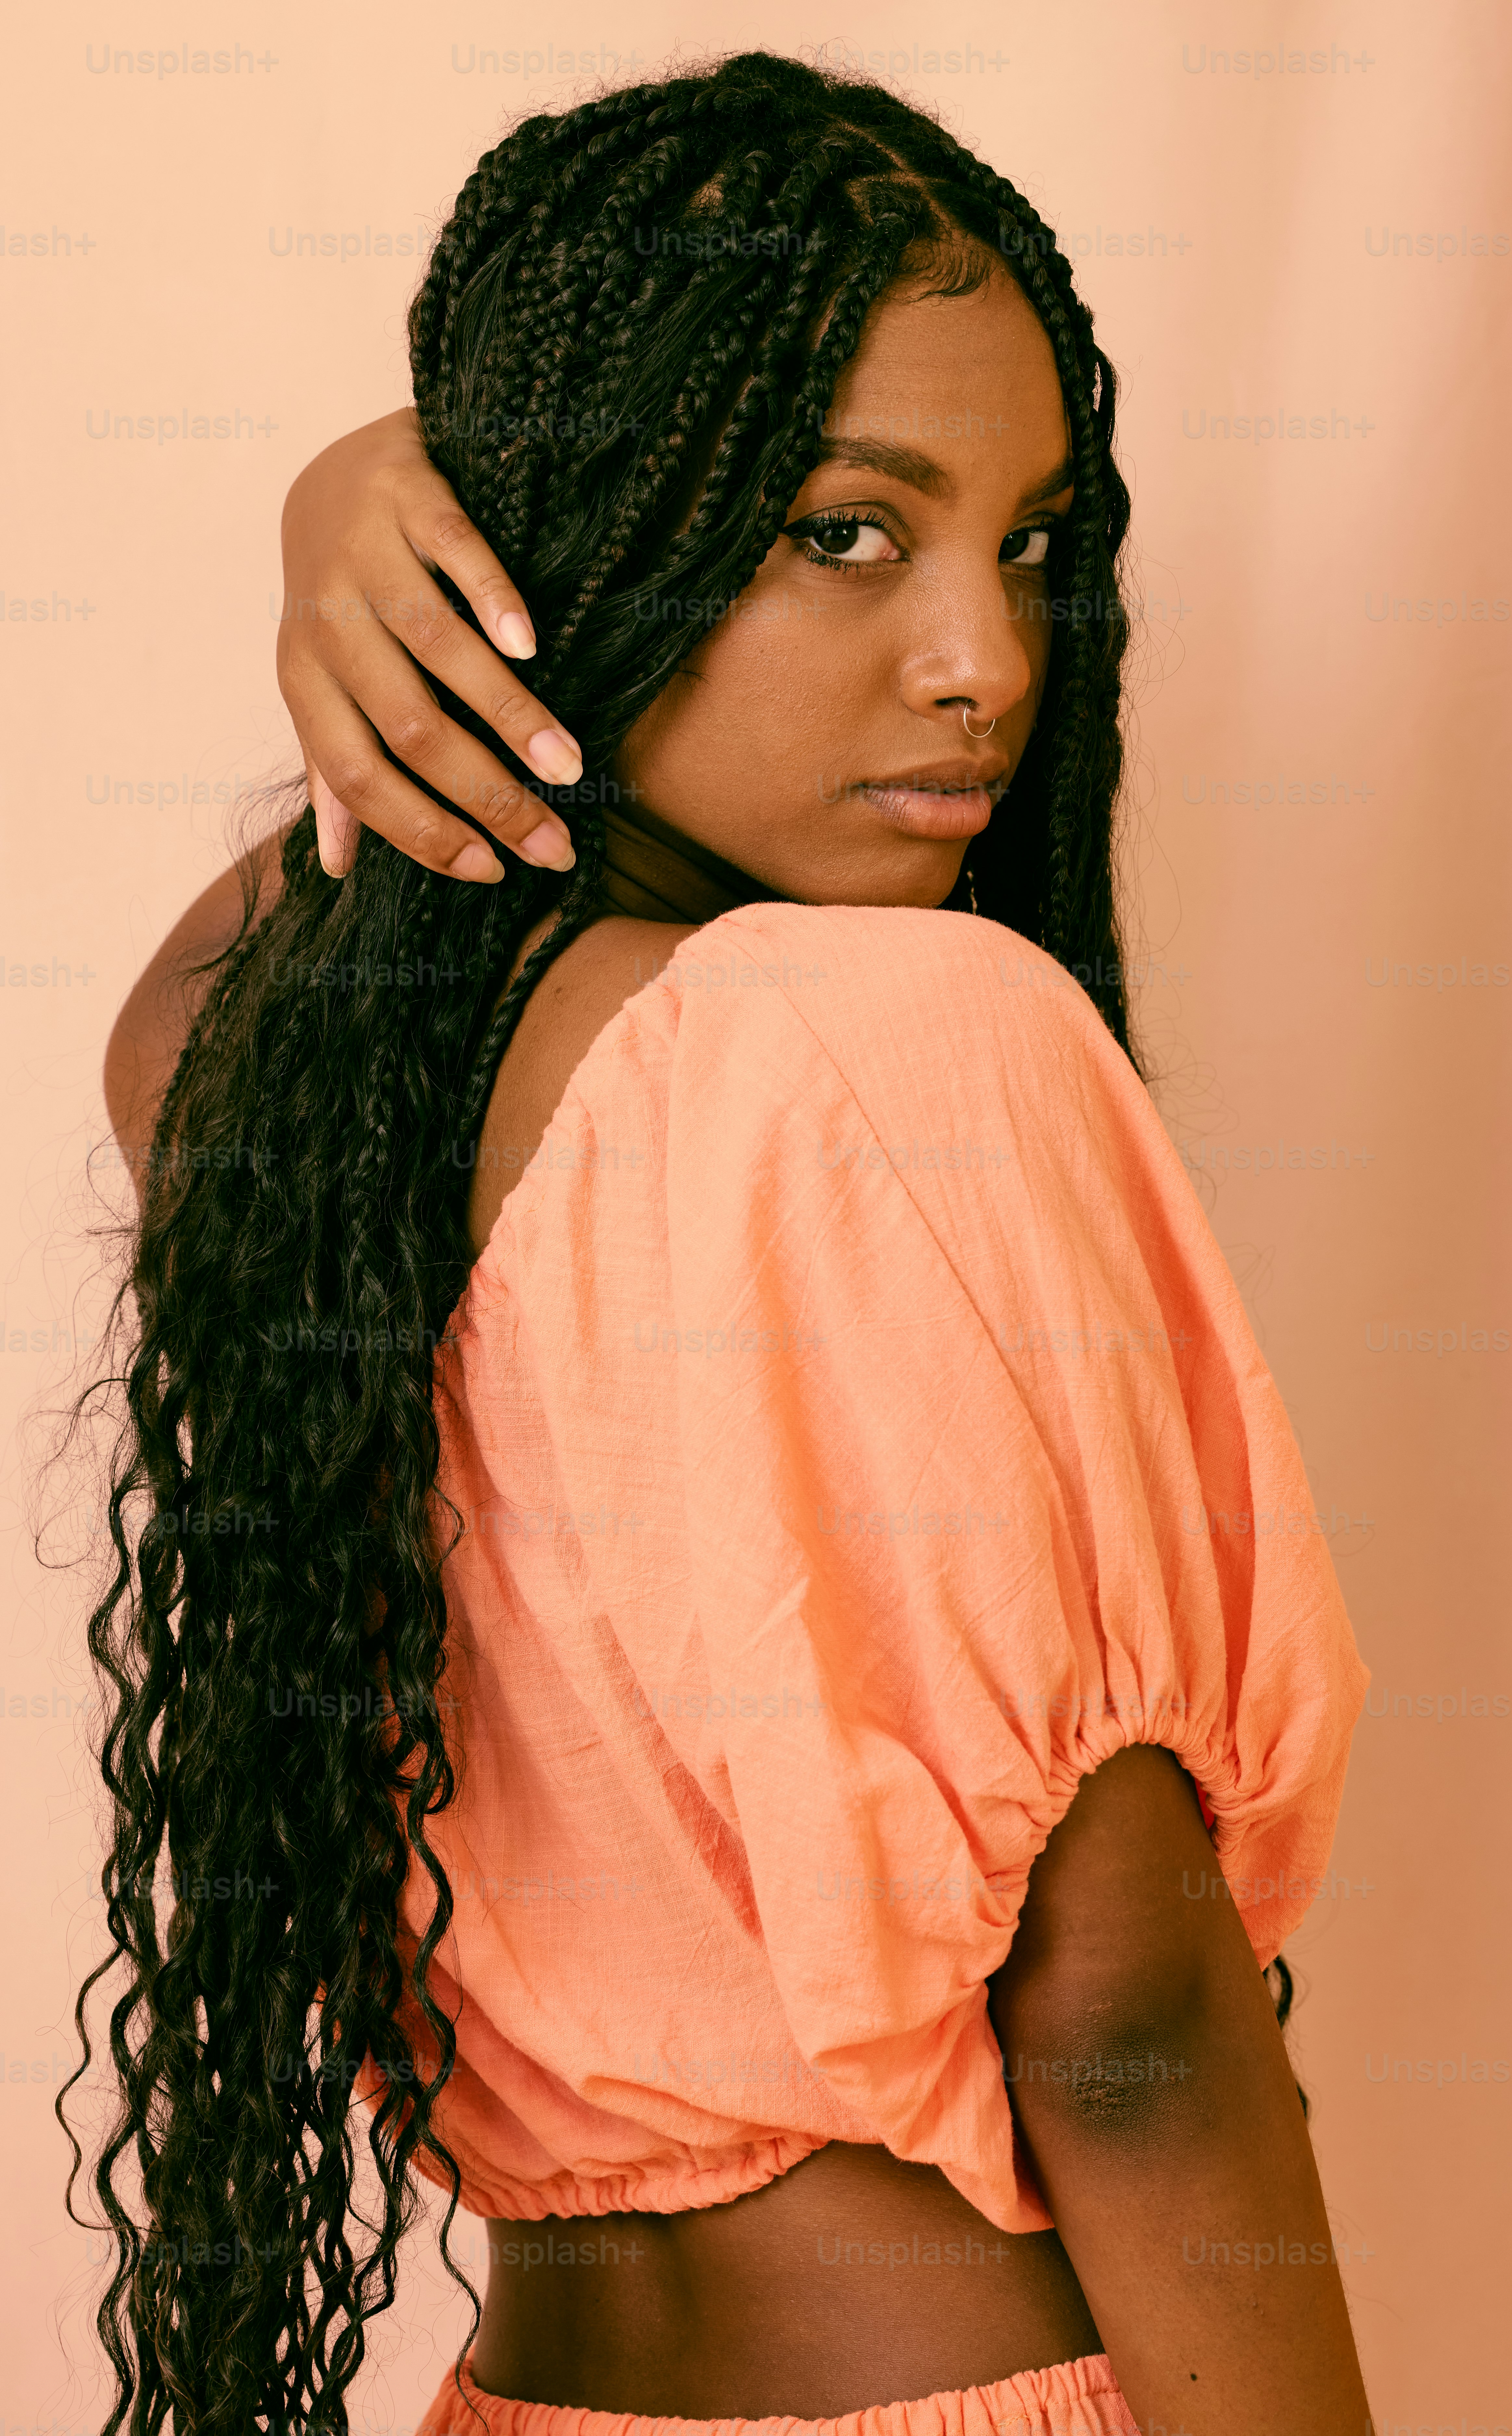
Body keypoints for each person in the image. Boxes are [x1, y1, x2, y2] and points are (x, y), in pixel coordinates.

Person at [76, 52, 1373, 2436]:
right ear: (593, 530)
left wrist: (352, 521)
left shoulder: (304, 1103)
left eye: (1033, 541)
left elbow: (183, 990)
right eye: (848, 529)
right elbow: (1132, 2019)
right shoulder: (892, 1041)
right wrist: (444, 513)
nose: (986, 660)